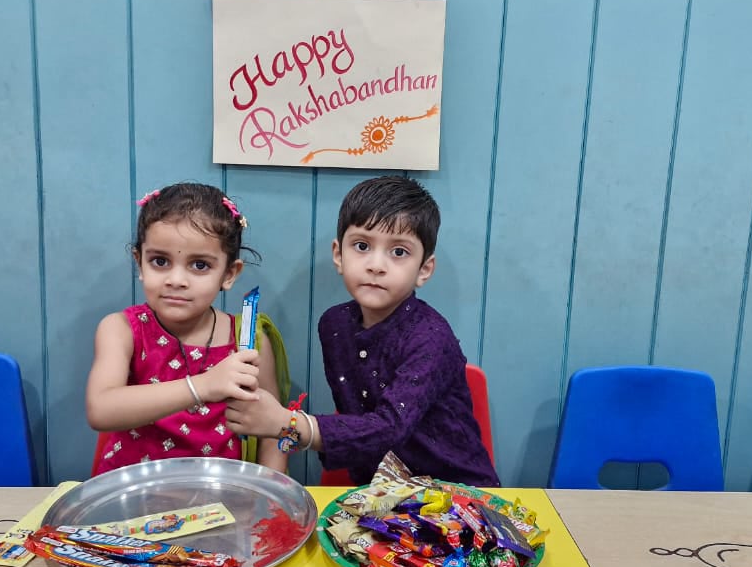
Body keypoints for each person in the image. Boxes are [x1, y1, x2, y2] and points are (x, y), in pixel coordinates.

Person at [225, 176, 499, 487]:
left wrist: (288, 423)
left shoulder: (431, 337)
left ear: (424, 269)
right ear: (338, 255)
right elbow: (357, 419)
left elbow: (389, 428)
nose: (376, 265)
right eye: (362, 246)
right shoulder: (335, 326)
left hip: (456, 493)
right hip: (378, 493)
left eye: (399, 252)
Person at [86, 183, 289, 475]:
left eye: (200, 265)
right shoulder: (121, 330)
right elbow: (100, 409)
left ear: (229, 273)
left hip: (222, 493)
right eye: (160, 261)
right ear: (140, 263)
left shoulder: (249, 340)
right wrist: (203, 385)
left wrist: (271, 493)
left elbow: (272, 431)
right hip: (137, 492)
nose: (176, 280)